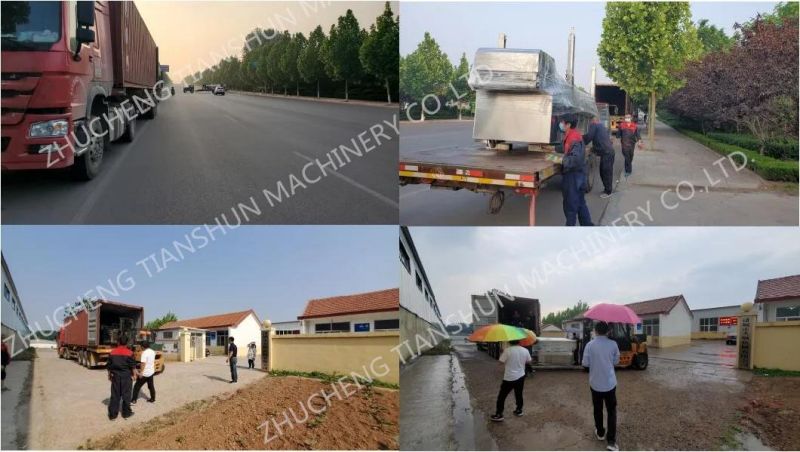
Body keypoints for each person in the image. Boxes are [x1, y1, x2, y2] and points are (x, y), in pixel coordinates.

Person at [582, 321, 621, 451]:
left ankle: (600, 432)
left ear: (595, 331)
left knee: (597, 409)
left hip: (595, 384)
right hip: (610, 383)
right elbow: (616, 361)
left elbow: (585, 364)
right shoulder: (613, 344)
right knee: (611, 411)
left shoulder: (589, 345)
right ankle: (611, 442)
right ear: (608, 331)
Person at [559, 114, 593, 226]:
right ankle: (588, 226)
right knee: (580, 203)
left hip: (573, 177)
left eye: (563, 123)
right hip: (578, 175)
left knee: (570, 206)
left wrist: (561, 160)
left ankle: (569, 232)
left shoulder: (574, 137)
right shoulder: (571, 135)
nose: (561, 125)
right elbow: (566, 148)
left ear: (568, 124)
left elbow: (575, 159)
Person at [490, 339, 532, 422]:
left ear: (509, 342)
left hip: (509, 378)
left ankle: (499, 414)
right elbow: (529, 361)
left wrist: (503, 355)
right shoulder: (525, 350)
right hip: (521, 376)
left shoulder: (507, 350)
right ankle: (519, 410)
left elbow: (500, 362)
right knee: (519, 394)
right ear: (519, 342)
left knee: (502, 396)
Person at [583, 116, 616, 198]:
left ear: (593, 121)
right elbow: (599, 139)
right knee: (603, 171)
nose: (590, 123)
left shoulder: (595, 125)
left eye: (590, 121)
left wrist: (580, 141)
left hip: (607, 153)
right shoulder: (601, 126)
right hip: (607, 153)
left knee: (606, 172)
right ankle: (607, 189)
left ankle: (608, 191)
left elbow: (588, 137)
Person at [107, 335, 137, 420]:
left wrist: (109, 375)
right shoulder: (130, 353)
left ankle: (112, 415)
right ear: (127, 343)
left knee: (115, 395)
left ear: (118, 342)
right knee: (126, 395)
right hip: (126, 377)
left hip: (115, 377)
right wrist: (134, 375)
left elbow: (109, 366)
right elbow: (133, 366)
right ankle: (126, 414)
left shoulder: (112, 352)